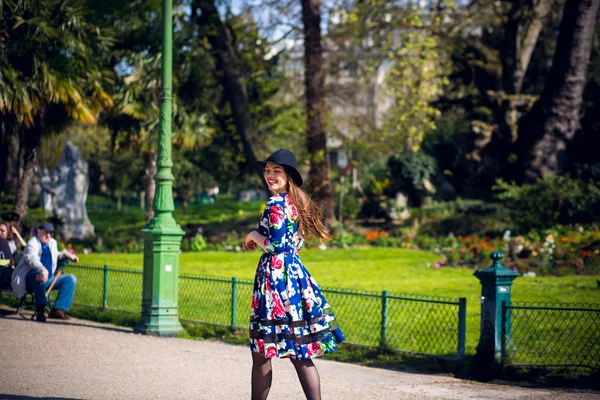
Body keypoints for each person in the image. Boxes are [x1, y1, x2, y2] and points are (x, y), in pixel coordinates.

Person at [242, 148, 345, 400]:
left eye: (276, 171)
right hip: (293, 279)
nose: (270, 175)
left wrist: (253, 235)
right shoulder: (295, 202)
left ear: (289, 175)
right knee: (300, 352)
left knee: (263, 351)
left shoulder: (276, 203)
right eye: (268, 170)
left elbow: (276, 247)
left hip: (276, 284)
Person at [11, 222, 79, 322]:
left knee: (70, 279)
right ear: (39, 232)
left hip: (49, 277)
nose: (48, 235)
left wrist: (64, 254)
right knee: (39, 276)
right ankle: (40, 310)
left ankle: (57, 310)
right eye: (46, 232)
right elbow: (31, 259)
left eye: (50, 233)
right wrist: (43, 269)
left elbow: (55, 254)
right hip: (31, 278)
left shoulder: (52, 242)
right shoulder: (32, 243)